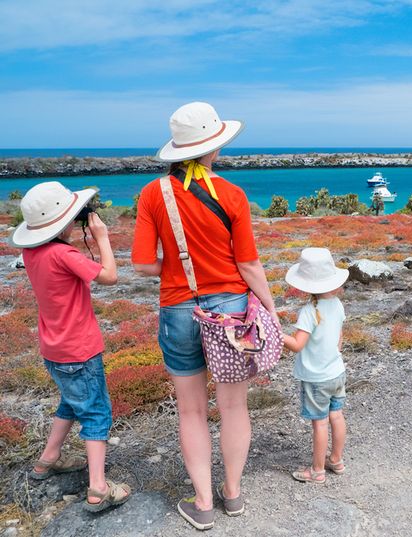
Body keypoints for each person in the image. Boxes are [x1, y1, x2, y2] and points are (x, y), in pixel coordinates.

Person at [131, 102, 280, 530]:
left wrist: (179, 269)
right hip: (232, 312)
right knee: (234, 408)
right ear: (214, 147)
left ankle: (202, 504)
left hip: (179, 308)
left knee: (191, 412)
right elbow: (249, 265)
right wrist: (269, 308)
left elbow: (142, 265)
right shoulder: (231, 195)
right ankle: (232, 495)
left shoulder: (151, 194)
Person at [9, 182, 131, 512]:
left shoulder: (31, 253)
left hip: (54, 349)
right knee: (96, 412)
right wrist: (102, 238)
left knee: (71, 401)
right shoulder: (65, 254)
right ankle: (98, 488)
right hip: (80, 349)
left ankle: (48, 459)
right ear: (64, 223)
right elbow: (109, 276)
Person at [282, 247, 349, 484]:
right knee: (337, 416)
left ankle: (317, 470)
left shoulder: (309, 311)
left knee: (319, 423)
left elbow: (298, 345)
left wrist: (278, 335)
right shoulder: (338, 304)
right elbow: (339, 340)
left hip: (316, 378)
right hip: (337, 372)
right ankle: (337, 460)